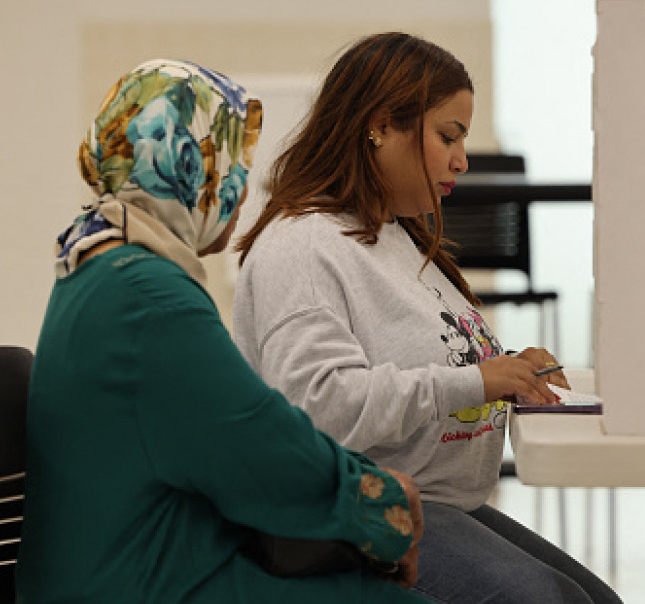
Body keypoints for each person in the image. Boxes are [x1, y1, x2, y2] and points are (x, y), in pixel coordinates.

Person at [16, 59, 429, 604]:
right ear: (189, 170)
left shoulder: (97, 264)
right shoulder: (147, 296)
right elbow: (260, 448)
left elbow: (245, 426)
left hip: (129, 561)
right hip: (143, 580)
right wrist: (383, 506)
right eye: (233, 165)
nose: (241, 188)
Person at [233, 33, 622, 603]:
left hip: (433, 502)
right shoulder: (305, 247)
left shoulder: (392, 234)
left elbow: (422, 358)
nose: (462, 159)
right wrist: (479, 379)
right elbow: (317, 410)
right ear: (381, 125)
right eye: (448, 136)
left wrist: (507, 367)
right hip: (348, 516)